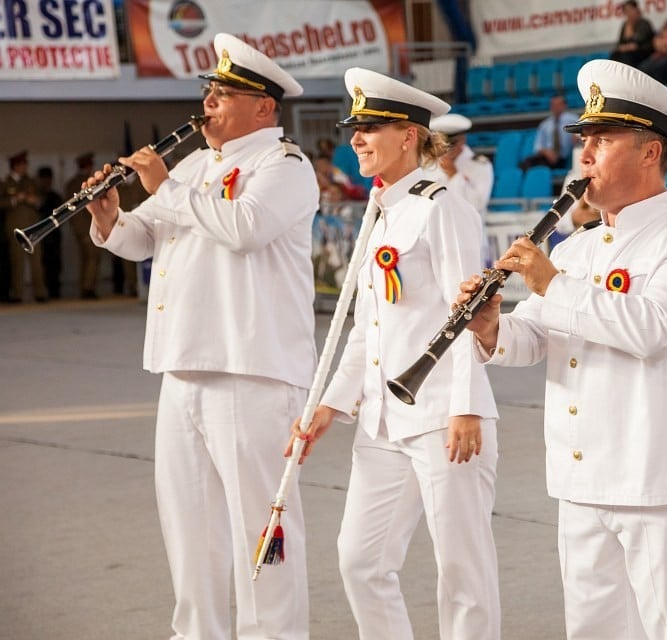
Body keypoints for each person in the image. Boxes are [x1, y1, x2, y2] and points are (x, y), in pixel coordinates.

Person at [460, 59, 667, 640]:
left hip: (661, 482)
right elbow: (535, 335)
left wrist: (551, 284)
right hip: (582, 481)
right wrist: (490, 327)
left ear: (651, 152)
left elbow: (653, 330)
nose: (585, 154)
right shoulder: (579, 247)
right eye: (584, 139)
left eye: (603, 139)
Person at [82, 33, 318, 639]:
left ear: (263, 108)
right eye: (208, 92)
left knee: (261, 534)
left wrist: (163, 187)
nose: (208, 102)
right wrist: (109, 217)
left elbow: (246, 227)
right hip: (183, 365)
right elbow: (144, 237)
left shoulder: (285, 164)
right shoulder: (192, 165)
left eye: (223, 93)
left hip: (252, 372)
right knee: (190, 531)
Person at [289, 68, 501, 640]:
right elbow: (370, 325)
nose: (355, 139)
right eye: (353, 128)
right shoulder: (381, 208)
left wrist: (466, 406)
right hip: (383, 419)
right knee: (361, 561)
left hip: (442, 420)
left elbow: (467, 313)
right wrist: (332, 403)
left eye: (370, 127)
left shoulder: (442, 206)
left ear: (409, 134)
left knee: (463, 571)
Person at [424, 113, 494, 217]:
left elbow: (477, 205)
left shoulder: (480, 165)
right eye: (442, 144)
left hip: (468, 229)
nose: (447, 149)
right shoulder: (428, 164)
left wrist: (454, 174)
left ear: (463, 140)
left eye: (451, 144)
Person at [1, 150, 47, 303]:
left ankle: (40, 292)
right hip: (15, 227)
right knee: (17, 261)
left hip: (33, 226)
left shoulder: (30, 181)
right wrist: (15, 199)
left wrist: (35, 201)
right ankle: (17, 294)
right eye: (22, 164)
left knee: (36, 262)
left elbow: (40, 200)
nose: (25, 167)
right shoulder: (5, 183)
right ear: (15, 166)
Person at [65, 152, 103, 299]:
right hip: (86, 229)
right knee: (92, 258)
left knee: (88, 259)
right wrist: (83, 233)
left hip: (86, 228)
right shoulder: (79, 183)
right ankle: (88, 288)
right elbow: (76, 213)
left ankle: (87, 287)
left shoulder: (73, 182)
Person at [518, 95, 579, 171]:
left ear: (564, 105)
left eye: (558, 104)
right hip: (548, 157)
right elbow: (538, 147)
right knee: (527, 162)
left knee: (538, 166)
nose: (555, 107)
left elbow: (579, 136)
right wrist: (547, 153)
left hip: (565, 157)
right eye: (553, 105)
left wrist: (576, 137)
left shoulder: (573, 120)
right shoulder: (545, 124)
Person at [35, 166, 63, 299]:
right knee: (41, 265)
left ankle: (54, 291)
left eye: (49, 179)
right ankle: (41, 292)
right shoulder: (36, 196)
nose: (47, 182)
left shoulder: (55, 196)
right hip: (40, 236)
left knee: (55, 264)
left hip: (53, 236)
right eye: (44, 179)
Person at [609, 0, 655, 69]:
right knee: (614, 55)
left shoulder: (644, 23)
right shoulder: (625, 24)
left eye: (630, 10)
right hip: (627, 51)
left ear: (636, 10)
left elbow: (637, 42)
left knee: (626, 56)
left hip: (642, 52)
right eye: (626, 11)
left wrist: (630, 28)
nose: (629, 13)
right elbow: (620, 43)